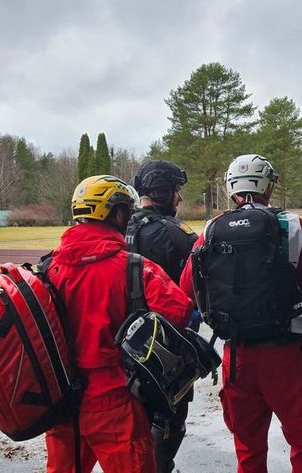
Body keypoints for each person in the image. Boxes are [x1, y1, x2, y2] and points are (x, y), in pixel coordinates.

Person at [179, 154, 302, 473]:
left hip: (237, 356)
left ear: (230, 188)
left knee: (248, 448)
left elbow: (186, 288)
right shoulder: (291, 225)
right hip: (286, 354)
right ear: (269, 187)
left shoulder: (212, 228)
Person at [43, 175, 194, 473]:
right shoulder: (135, 267)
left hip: (63, 399)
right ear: (117, 214)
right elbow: (180, 312)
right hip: (114, 399)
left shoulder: (49, 267)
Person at [128, 160, 198, 473]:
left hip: (122, 341)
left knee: (135, 418)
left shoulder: (121, 227)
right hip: (168, 342)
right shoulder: (175, 233)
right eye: (176, 190)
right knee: (171, 416)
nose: (179, 198)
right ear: (161, 191)